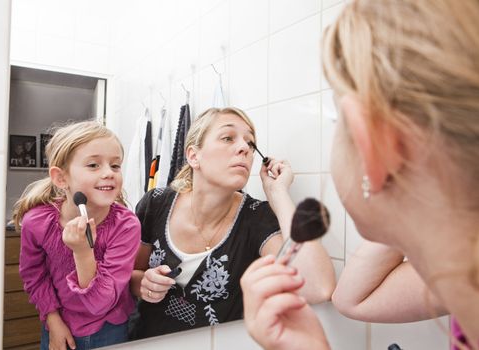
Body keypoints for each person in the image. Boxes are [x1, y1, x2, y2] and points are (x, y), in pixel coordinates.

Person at [241, 0, 479, 349]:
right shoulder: (461, 272)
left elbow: (337, 293)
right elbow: (352, 299)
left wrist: (395, 189)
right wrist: (404, 203)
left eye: (338, 122)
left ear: (372, 143)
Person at [129, 107, 335, 339]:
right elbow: (129, 274)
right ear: (193, 156)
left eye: (250, 143)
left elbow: (318, 288)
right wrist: (142, 283)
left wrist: (279, 195)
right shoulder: (156, 204)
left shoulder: (256, 217)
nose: (244, 148)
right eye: (228, 138)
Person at [13, 121, 141, 350]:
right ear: (61, 178)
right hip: (58, 325)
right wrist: (52, 320)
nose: (108, 173)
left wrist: (82, 252)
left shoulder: (126, 226)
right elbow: (34, 275)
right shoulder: (37, 222)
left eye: (115, 165)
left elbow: (99, 303)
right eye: (93, 165)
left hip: (110, 329)